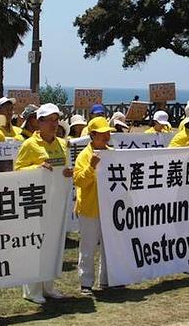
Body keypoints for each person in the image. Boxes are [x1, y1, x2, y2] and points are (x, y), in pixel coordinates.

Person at [14, 103, 73, 303]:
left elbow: (64, 168)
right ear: (39, 122)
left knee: (53, 243)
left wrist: (66, 172)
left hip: (56, 200)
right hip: (35, 202)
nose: (54, 124)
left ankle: (48, 286)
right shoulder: (29, 144)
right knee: (35, 244)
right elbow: (17, 171)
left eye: (56, 120)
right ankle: (32, 290)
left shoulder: (61, 143)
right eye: (49, 120)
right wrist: (36, 168)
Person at [73, 116, 115, 295]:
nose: (107, 136)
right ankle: (86, 283)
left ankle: (107, 279)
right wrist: (91, 167)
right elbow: (78, 181)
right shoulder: (85, 155)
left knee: (110, 245)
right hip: (89, 209)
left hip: (109, 208)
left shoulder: (112, 152)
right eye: (102, 133)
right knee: (88, 247)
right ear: (92, 135)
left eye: (108, 133)